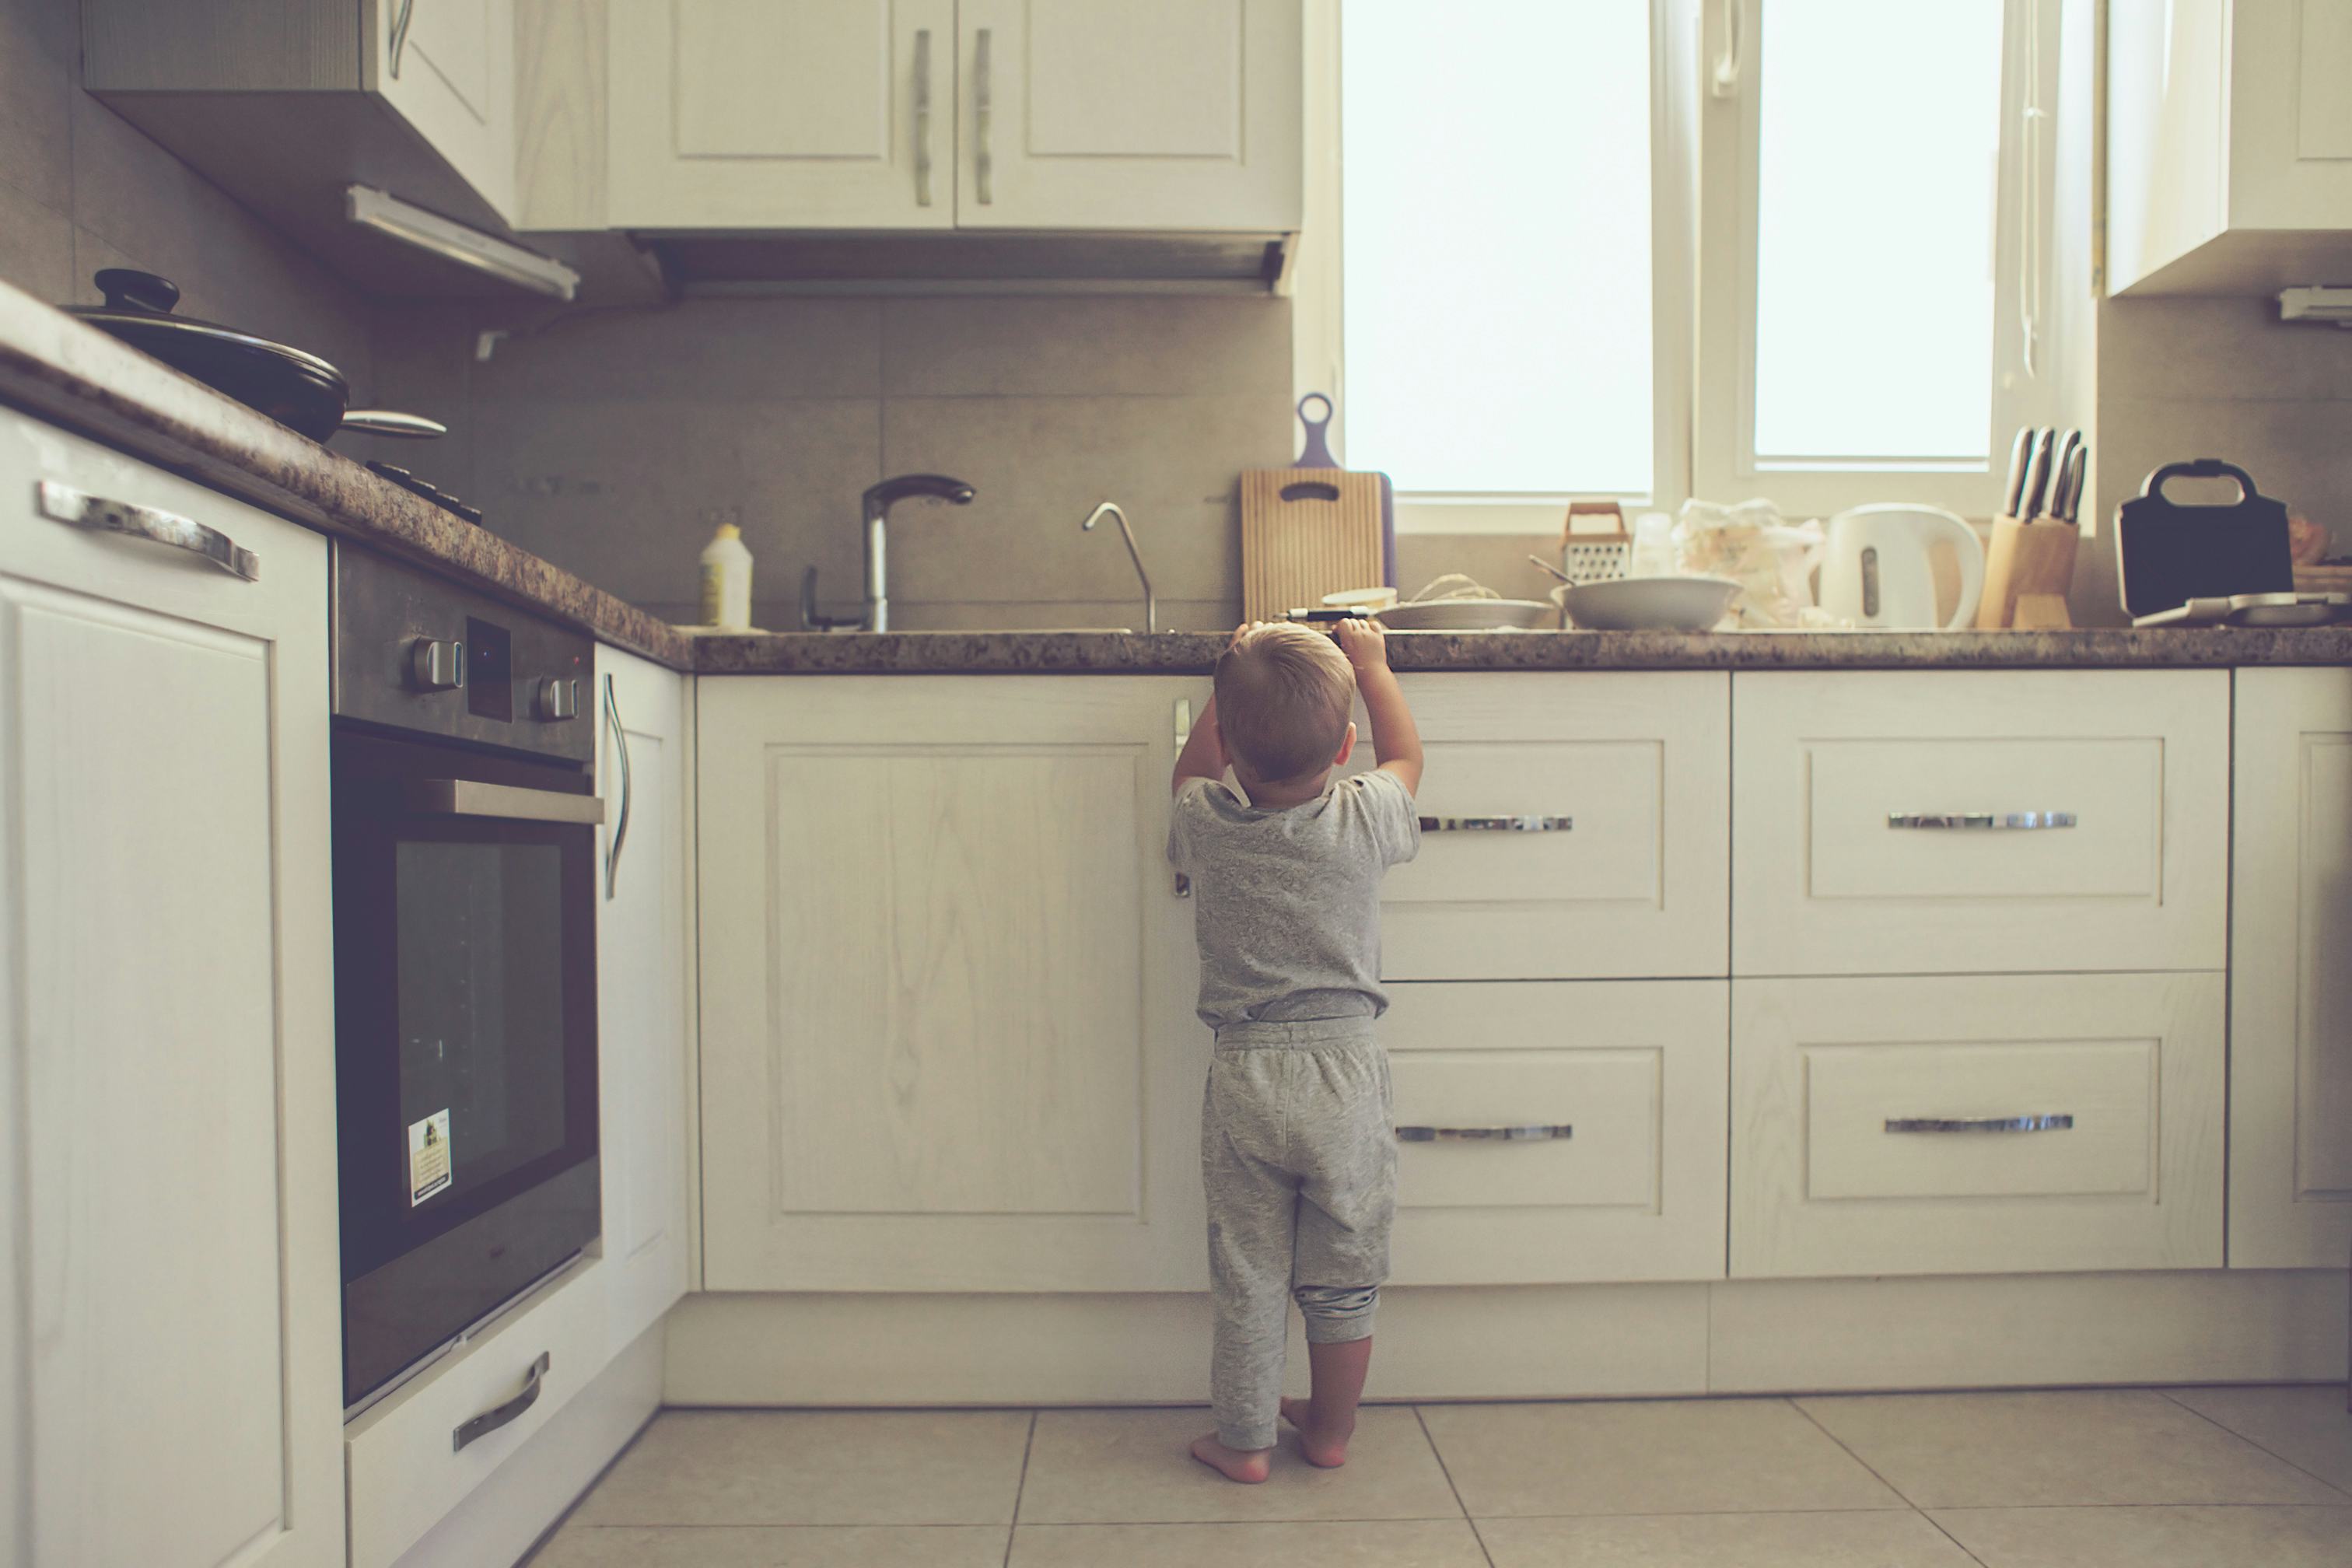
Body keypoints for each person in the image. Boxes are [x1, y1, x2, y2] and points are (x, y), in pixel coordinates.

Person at [1166, 617, 1425, 1483]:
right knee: (1343, 1274)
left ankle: (1243, 1444)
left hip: (1246, 1071)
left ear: (1230, 745)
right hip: (1345, 1074)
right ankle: (1328, 1432)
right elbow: (1407, 757)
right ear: (1345, 747)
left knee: (1249, 1273)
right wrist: (1373, 666)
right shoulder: (1364, 815)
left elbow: (1188, 774)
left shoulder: (1205, 822)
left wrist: (1226, 688)